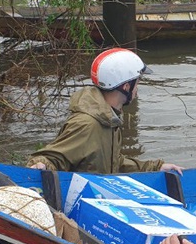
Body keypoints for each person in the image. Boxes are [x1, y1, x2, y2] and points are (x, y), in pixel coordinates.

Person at [27, 48, 183, 174]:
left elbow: (115, 163)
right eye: (137, 82)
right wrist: (41, 165)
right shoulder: (88, 124)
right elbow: (52, 158)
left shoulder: (109, 117)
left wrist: (155, 168)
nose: (137, 88)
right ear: (126, 86)